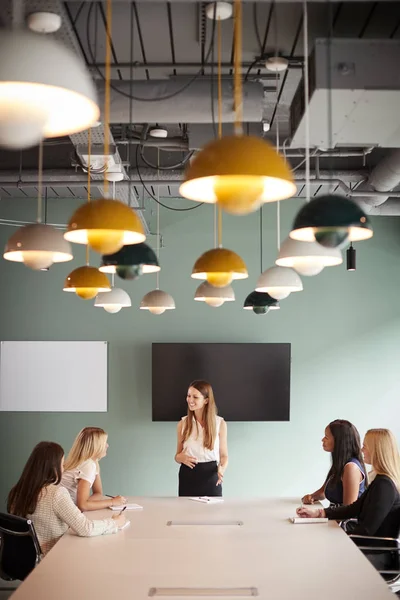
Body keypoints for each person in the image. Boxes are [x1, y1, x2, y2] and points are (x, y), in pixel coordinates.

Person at [7, 442, 126, 555]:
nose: (63, 468)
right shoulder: (56, 493)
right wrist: (115, 522)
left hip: (22, 558)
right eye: (62, 463)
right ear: (53, 467)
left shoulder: (16, 491)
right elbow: (86, 528)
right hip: (51, 558)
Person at [297, 429, 400, 538]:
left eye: (365, 446)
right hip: (363, 544)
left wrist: (338, 537)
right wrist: (318, 513)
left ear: (376, 450)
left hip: (371, 551)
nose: (361, 450)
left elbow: (367, 530)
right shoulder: (380, 480)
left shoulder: (384, 486)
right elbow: (353, 509)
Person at [175, 380, 228, 497]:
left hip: (211, 475)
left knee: (213, 514)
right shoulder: (182, 424)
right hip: (188, 475)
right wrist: (181, 458)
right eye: (188, 396)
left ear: (206, 400)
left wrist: (221, 469)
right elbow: (177, 456)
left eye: (195, 397)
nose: (190, 400)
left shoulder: (220, 423)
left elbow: (224, 455)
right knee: (187, 513)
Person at [302, 419, 367, 506]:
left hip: (343, 519)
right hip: (334, 517)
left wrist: (321, 515)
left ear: (339, 441)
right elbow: (323, 492)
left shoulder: (351, 468)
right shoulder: (339, 464)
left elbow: (348, 510)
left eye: (326, 437)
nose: (322, 439)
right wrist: (312, 497)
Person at [61, 427, 126, 511]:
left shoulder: (91, 462)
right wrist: (112, 501)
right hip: (65, 515)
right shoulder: (87, 465)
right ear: (95, 446)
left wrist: (88, 503)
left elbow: (98, 493)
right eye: (104, 442)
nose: (107, 445)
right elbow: (83, 506)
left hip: (67, 510)